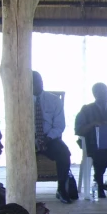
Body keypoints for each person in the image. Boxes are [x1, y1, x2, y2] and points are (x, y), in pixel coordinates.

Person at [32, 71, 73, 204]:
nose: (38, 85)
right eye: (33, 82)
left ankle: (61, 189)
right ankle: (23, 190)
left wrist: (48, 138)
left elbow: (60, 125)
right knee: (17, 154)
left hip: (49, 138)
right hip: (28, 139)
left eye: (39, 81)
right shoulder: (20, 100)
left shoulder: (54, 100)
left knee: (64, 153)